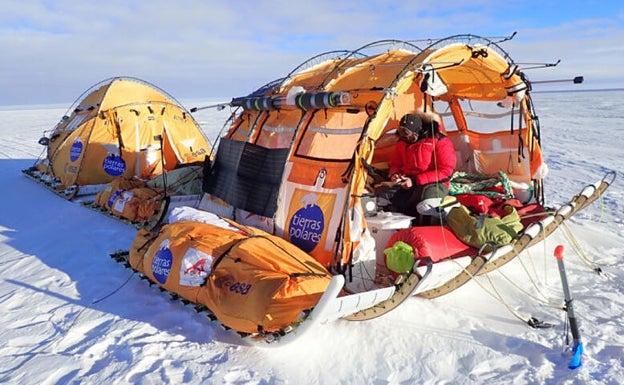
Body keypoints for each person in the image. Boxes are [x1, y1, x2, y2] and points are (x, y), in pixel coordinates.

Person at [386, 110, 456, 219]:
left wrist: (414, 181)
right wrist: (395, 174)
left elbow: (446, 171)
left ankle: (450, 216)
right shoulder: (402, 143)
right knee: (392, 200)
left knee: (425, 204)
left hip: (435, 183)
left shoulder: (440, 141)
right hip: (409, 182)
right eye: (402, 135)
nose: (406, 139)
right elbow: (396, 164)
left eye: (408, 135)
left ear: (417, 132)